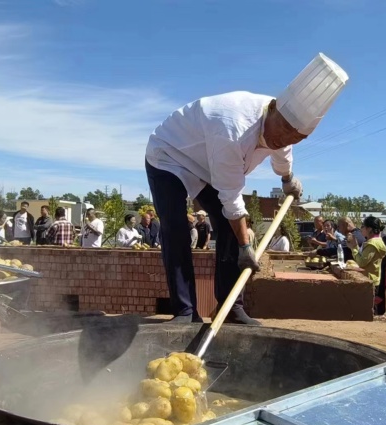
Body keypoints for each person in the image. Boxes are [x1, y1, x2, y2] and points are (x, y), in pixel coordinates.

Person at [144, 54, 348, 324]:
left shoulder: (284, 129)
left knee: (229, 227)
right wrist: (245, 246)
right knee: (176, 227)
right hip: (171, 154)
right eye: (284, 130)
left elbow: (282, 154)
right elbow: (231, 199)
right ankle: (184, 310)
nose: (283, 139)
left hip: (209, 163)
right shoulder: (233, 128)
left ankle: (230, 307)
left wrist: (287, 179)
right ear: (272, 108)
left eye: (296, 138)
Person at [348, 217, 386, 304]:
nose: (360, 229)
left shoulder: (372, 244)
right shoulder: (376, 240)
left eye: (363, 226)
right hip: (375, 279)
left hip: (371, 281)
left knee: (370, 309)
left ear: (369, 229)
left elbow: (362, 262)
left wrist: (354, 248)